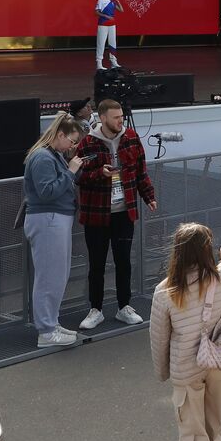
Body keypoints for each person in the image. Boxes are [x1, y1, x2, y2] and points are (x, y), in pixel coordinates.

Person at [149, 224, 221, 441]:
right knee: (215, 421)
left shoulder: (166, 291)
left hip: (186, 367)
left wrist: (163, 371)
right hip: (215, 361)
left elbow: (159, 338)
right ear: (206, 250)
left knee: (192, 430)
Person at [74, 99, 158, 331]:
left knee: (123, 261)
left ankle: (124, 307)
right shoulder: (88, 143)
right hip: (97, 215)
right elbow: (78, 176)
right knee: (96, 263)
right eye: (115, 117)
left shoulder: (131, 137)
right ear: (102, 118)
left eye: (121, 116)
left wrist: (148, 196)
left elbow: (141, 171)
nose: (120, 120)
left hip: (124, 212)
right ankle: (96, 309)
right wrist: (99, 173)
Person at [22, 112, 84, 348]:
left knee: (56, 274)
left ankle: (50, 323)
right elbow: (47, 192)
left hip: (54, 219)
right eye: (72, 140)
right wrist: (70, 171)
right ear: (60, 135)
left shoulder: (51, 155)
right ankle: (46, 330)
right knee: (50, 276)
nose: (73, 146)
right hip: (48, 219)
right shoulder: (43, 158)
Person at [95, 0, 122, 69]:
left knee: (112, 43)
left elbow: (121, 10)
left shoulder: (112, 2)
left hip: (112, 25)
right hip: (103, 24)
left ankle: (113, 61)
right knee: (101, 43)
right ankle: (99, 63)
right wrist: (106, 16)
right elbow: (96, 12)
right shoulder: (101, 1)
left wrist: (117, 0)